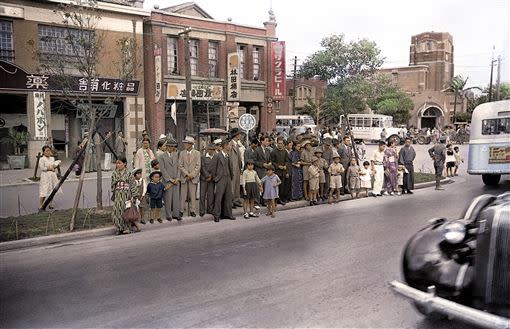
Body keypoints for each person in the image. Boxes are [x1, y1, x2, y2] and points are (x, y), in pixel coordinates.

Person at [111, 157, 139, 235]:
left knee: (126, 211)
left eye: (119, 163)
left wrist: (134, 195)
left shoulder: (129, 174)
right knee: (116, 212)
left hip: (127, 195)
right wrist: (117, 183)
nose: (118, 165)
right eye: (117, 163)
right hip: (118, 195)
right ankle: (119, 228)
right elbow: (113, 184)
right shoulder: (114, 173)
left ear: (125, 164)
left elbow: (133, 185)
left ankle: (126, 228)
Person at [210, 140, 235, 222]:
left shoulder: (228, 155)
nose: (230, 147)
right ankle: (217, 215)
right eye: (229, 145)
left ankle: (228, 214)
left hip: (228, 178)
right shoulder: (217, 156)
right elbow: (213, 168)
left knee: (228, 197)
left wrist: (231, 176)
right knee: (218, 197)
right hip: (220, 179)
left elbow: (230, 167)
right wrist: (215, 178)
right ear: (225, 146)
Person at [158, 138, 181, 221]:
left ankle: (176, 214)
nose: (172, 148)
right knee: (168, 198)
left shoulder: (176, 155)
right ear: (167, 146)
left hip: (176, 180)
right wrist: (170, 179)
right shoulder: (162, 156)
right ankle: (168, 215)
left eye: (173, 147)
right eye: (170, 146)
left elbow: (179, 167)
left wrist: (178, 177)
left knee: (176, 197)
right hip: (167, 180)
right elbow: (162, 169)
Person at [178, 136, 201, 217]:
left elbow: (198, 166)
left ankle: (192, 210)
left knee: (192, 195)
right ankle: (181, 210)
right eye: (184, 143)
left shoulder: (197, 153)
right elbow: (180, 165)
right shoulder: (181, 153)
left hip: (193, 178)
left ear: (191, 144)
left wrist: (192, 175)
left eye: (186, 143)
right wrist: (187, 174)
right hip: (184, 177)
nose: (185, 144)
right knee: (183, 195)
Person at [38, 145, 62, 210]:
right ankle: (40, 204)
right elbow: (42, 168)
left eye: (49, 150)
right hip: (45, 176)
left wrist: (56, 165)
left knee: (52, 190)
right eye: (47, 151)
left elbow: (53, 166)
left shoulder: (52, 158)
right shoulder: (42, 159)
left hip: (52, 176)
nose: (48, 152)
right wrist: (50, 168)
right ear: (43, 152)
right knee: (44, 190)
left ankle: (51, 203)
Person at [270, 137, 290, 205]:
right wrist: (278, 166)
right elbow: (272, 162)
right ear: (276, 143)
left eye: (281, 143)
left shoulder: (285, 151)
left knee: (283, 186)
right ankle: (277, 200)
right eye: (279, 143)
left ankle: (282, 198)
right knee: (277, 187)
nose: (280, 145)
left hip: (283, 172)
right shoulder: (273, 152)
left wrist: (285, 166)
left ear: (283, 144)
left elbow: (287, 161)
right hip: (277, 172)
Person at [254, 136, 272, 206]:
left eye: (268, 141)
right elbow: (254, 161)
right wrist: (262, 164)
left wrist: (270, 163)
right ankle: (257, 202)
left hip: (266, 171)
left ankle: (264, 201)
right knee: (259, 186)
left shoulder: (268, 150)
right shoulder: (257, 150)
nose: (267, 142)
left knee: (265, 186)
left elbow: (269, 159)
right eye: (266, 141)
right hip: (259, 170)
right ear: (262, 141)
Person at [199, 144, 216, 217]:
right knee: (202, 195)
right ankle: (202, 210)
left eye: (213, 150)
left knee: (210, 195)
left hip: (211, 180)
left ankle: (210, 209)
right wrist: (207, 176)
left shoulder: (215, 157)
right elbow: (202, 168)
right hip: (204, 179)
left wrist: (211, 176)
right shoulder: (203, 157)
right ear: (207, 149)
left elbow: (215, 168)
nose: (211, 151)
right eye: (210, 149)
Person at [229, 128, 244, 208]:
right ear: (236, 135)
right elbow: (230, 158)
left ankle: (235, 200)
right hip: (233, 168)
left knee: (237, 185)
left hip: (237, 167)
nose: (240, 136)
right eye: (239, 134)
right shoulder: (231, 144)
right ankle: (231, 201)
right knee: (232, 185)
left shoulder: (237, 144)